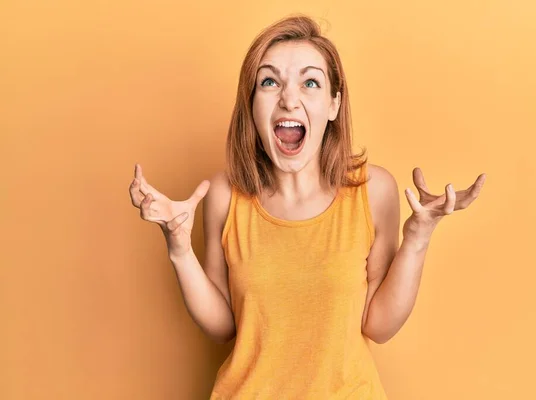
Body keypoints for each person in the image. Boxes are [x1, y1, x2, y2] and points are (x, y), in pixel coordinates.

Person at [128, 14, 486, 399]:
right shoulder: (223, 194)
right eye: (269, 81)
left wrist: (417, 237)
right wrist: (179, 251)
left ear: (333, 105)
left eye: (310, 82)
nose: (289, 98)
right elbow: (224, 327)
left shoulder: (372, 190)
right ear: (251, 105)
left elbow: (378, 324)